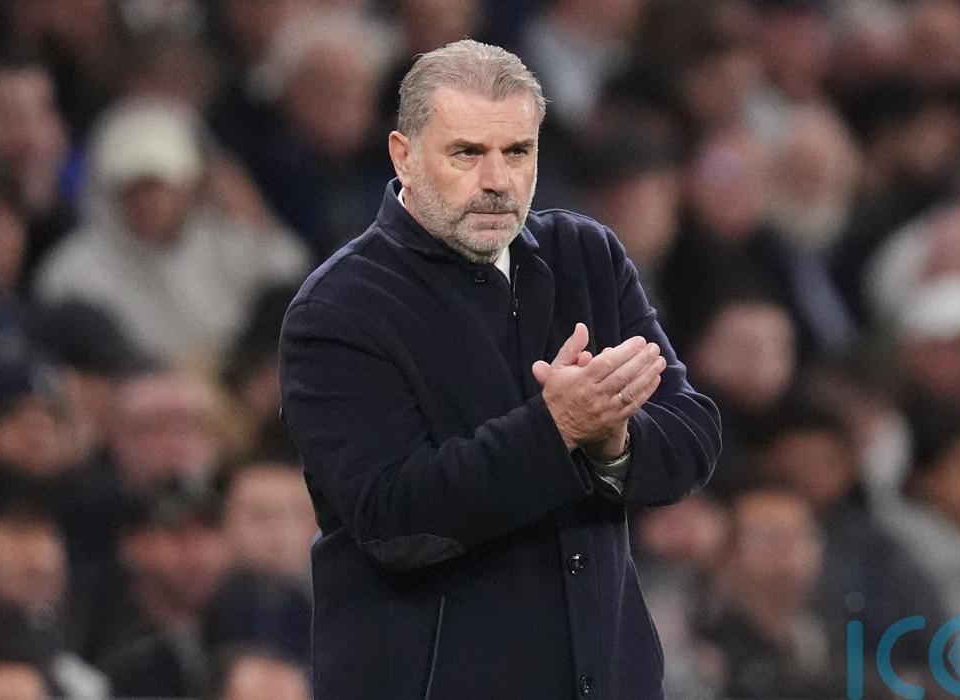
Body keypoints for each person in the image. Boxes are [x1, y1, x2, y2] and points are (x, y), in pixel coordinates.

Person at [278, 40, 721, 699]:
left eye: (517, 152)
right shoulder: (338, 309)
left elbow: (693, 436)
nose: (497, 180)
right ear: (403, 155)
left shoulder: (585, 254)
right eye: (467, 152)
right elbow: (397, 523)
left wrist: (615, 441)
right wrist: (557, 427)